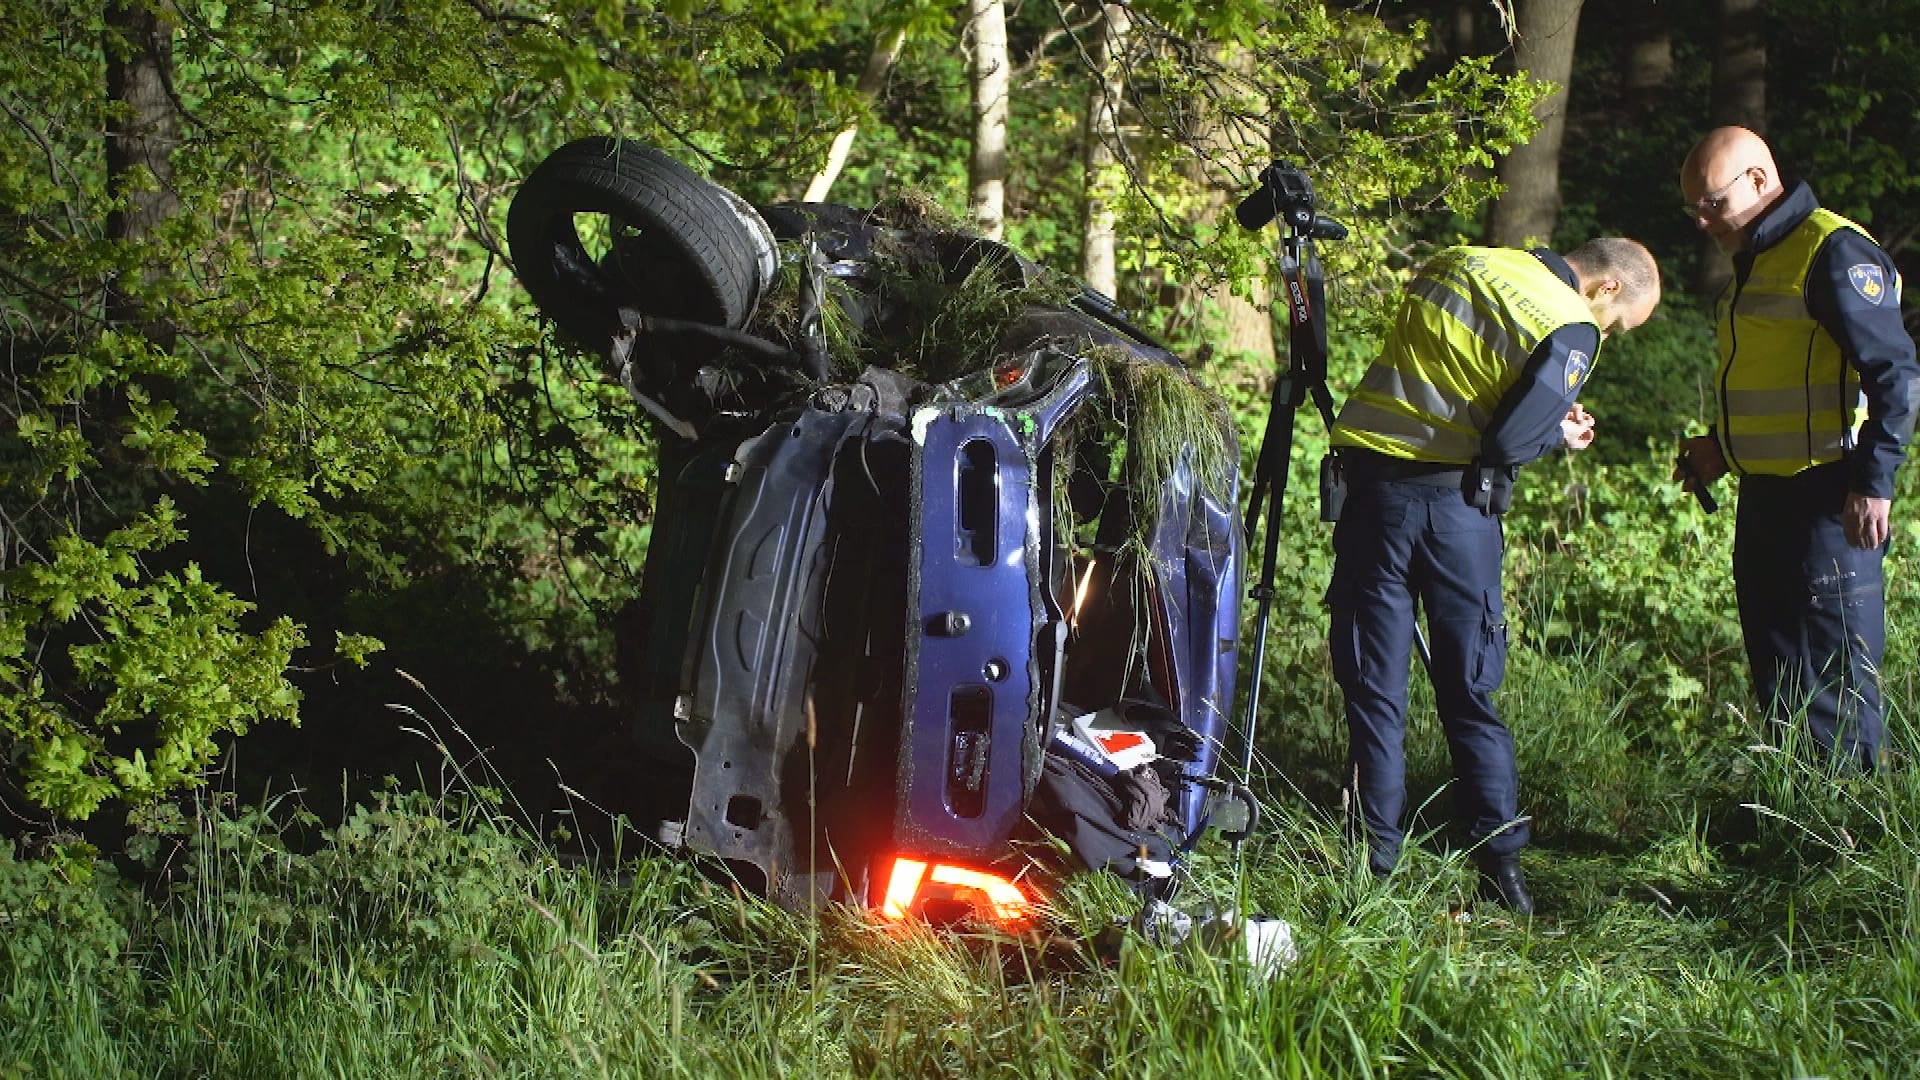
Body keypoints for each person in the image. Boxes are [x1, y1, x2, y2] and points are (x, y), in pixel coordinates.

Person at [1327, 238, 1661, 914]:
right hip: (1455, 516)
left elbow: (1452, 373)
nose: (1609, 335)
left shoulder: (1460, 260)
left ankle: (1371, 872)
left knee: (1374, 692)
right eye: (1618, 326)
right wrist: (1555, 434)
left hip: (1372, 502)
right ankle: (1501, 872)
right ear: (1607, 290)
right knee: (1469, 694)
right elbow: (1507, 442)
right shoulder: (1568, 321)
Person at [1676, 126, 1918, 772]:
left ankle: (1848, 841)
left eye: (1712, 204)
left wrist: (1874, 482)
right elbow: (1781, 380)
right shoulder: (1759, 255)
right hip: (1766, 498)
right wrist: (1722, 449)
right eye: (1693, 208)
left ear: (1759, 181)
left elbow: (1895, 375)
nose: (1703, 221)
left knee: (1836, 675)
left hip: (1829, 501)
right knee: (1780, 670)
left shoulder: (1831, 251)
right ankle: (1791, 820)